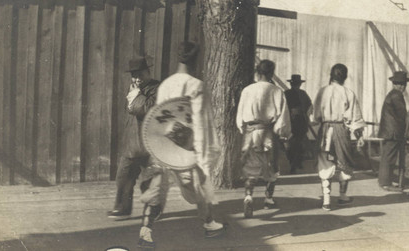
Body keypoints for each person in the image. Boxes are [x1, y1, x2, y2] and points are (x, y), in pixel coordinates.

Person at [137, 42, 224, 249]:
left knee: (158, 183)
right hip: (187, 143)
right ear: (196, 60)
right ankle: (209, 223)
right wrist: (202, 154)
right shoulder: (197, 85)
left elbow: (158, 116)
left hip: (165, 142)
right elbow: (201, 122)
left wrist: (157, 144)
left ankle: (146, 230)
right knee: (200, 181)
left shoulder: (166, 84)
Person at [236, 59, 291, 218]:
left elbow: (240, 114)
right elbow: (282, 117)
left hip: (250, 131)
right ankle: (268, 199)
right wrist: (283, 133)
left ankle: (248, 196)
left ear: (258, 73)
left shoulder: (247, 90)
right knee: (272, 165)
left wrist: (242, 127)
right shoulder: (277, 91)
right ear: (271, 73)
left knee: (250, 167)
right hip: (268, 131)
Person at [107, 56, 160, 219]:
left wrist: (136, 95)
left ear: (148, 72)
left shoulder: (157, 88)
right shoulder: (133, 89)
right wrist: (135, 95)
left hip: (150, 143)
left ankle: (153, 210)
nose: (137, 79)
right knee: (123, 178)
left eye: (140, 74)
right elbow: (131, 110)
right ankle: (122, 208)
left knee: (150, 181)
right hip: (132, 142)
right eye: (134, 75)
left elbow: (149, 108)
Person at [312, 63, 366, 211]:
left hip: (325, 130)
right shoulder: (348, 93)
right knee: (345, 160)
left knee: (325, 161)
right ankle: (342, 196)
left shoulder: (322, 91)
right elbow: (355, 118)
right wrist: (359, 135)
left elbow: (315, 116)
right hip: (341, 130)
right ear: (345, 77)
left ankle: (327, 200)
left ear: (331, 75)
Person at [377, 71, 409, 192]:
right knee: (389, 158)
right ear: (397, 85)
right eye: (401, 84)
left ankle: (384, 181)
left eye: (403, 84)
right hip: (393, 132)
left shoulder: (391, 94)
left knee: (387, 156)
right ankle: (386, 183)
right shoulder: (397, 95)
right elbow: (402, 114)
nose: (403, 86)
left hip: (389, 131)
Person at [284, 74, 313, 174]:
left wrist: (307, 116)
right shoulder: (287, 93)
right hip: (294, 121)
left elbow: (309, 106)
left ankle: (296, 162)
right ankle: (295, 163)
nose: (297, 85)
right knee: (295, 143)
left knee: (296, 143)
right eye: (296, 83)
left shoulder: (300, 93)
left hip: (298, 121)